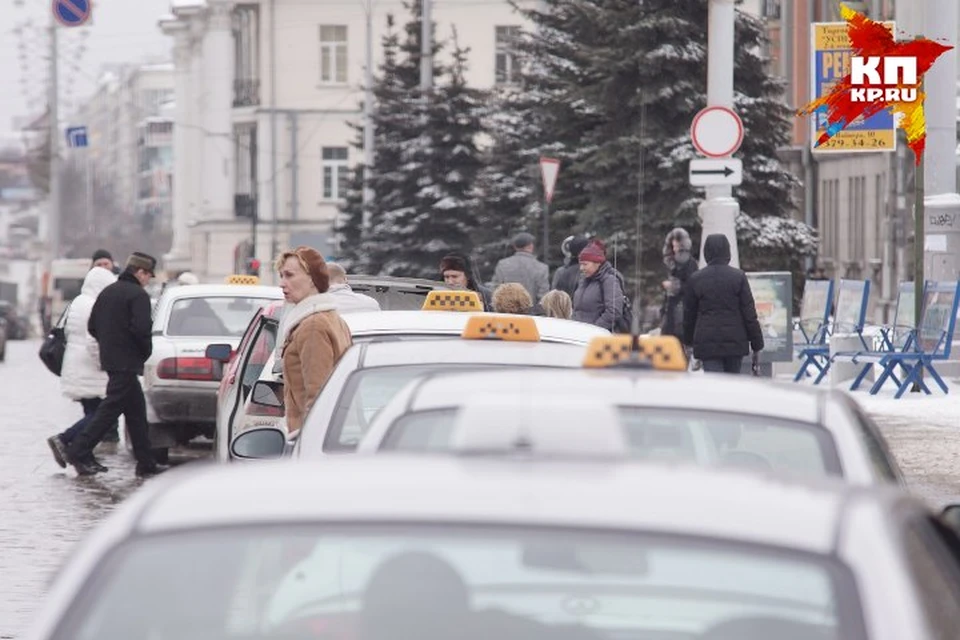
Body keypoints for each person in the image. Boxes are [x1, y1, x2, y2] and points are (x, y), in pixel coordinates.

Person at [64, 252, 165, 477]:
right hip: (127, 362)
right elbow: (141, 330)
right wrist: (142, 352)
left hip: (112, 360)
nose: (148, 279)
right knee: (109, 410)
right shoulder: (138, 295)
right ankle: (78, 450)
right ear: (140, 272)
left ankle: (146, 462)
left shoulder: (107, 293)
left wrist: (110, 345)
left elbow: (92, 327)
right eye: (148, 275)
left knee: (136, 411)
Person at [46, 266, 117, 471]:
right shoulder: (94, 305)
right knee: (98, 417)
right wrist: (104, 364)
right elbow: (93, 341)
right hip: (90, 367)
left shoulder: (78, 302)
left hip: (77, 364)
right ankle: (64, 439)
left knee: (92, 411)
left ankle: (83, 457)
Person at [276, 246, 353, 433]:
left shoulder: (312, 326)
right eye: (281, 276)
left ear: (311, 279)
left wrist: (309, 444)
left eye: (290, 275)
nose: (282, 283)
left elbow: (317, 395)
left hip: (309, 436)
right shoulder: (331, 318)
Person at [682, 234, 764, 374]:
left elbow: (689, 315)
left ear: (706, 252)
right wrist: (757, 344)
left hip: (708, 343)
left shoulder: (696, 279)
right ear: (727, 251)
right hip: (735, 341)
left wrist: (688, 341)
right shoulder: (738, 277)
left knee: (715, 385)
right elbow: (749, 314)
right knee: (732, 385)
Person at [572, 239, 628, 331]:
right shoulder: (583, 281)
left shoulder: (609, 280)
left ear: (597, 263)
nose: (581, 268)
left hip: (597, 337)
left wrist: (595, 329)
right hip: (580, 336)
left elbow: (613, 311)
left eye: (585, 264)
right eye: (580, 264)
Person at [660, 227, 698, 340]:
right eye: (673, 246)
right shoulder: (672, 263)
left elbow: (692, 286)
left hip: (683, 309)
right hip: (671, 308)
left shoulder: (690, 264)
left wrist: (674, 286)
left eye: (677, 246)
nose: (674, 249)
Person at [492, 232, 550, 302]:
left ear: (515, 247)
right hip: (530, 311)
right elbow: (543, 296)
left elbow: (495, 290)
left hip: (505, 311)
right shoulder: (542, 268)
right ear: (531, 246)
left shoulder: (502, 264)